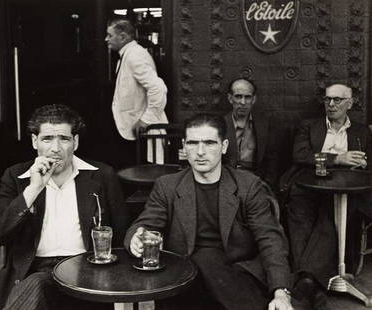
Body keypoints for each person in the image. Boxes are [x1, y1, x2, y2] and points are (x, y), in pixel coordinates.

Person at [124, 114, 293, 310]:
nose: (200, 152)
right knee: (202, 259)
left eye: (209, 143)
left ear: (224, 146)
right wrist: (136, 237)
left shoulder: (248, 185)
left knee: (207, 259)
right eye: (193, 143)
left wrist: (281, 292)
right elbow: (146, 224)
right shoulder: (168, 186)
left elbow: (270, 240)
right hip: (186, 281)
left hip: (237, 275)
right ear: (184, 146)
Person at [0, 104, 124, 310]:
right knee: (37, 284)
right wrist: (33, 189)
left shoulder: (101, 175)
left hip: (86, 270)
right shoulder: (16, 177)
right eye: (47, 138)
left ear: (75, 142)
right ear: (35, 142)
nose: (55, 148)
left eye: (64, 138)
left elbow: (120, 233)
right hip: (34, 270)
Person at [283, 84, 372, 310]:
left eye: (338, 100)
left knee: (332, 216)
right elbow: (300, 155)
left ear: (350, 103)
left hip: (346, 190)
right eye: (328, 99)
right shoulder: (309, 127)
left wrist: (365, 165)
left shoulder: (361, 131)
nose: (331, 104)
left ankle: (307, 280)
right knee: (299, 216)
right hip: (308, 185)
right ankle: (313, 284)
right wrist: (338, 159)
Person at [105, 18, 168, 166]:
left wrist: (146, 120)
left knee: (138, 170)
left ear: (122, 37)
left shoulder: (135, 56)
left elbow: (158, 88)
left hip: (140, 131)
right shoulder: (128, 54)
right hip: (130, 128)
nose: (106, 39)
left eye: (110, 35)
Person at [223, 78, 281, 189]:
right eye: (238, 96)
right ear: (230, 98)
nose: (243, 102)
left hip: (256, 182)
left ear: (254, 99)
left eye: (247, 97)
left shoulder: (265, 125)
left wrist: (267, 184)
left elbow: (272, 159)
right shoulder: (220, 124)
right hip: (227, 182)